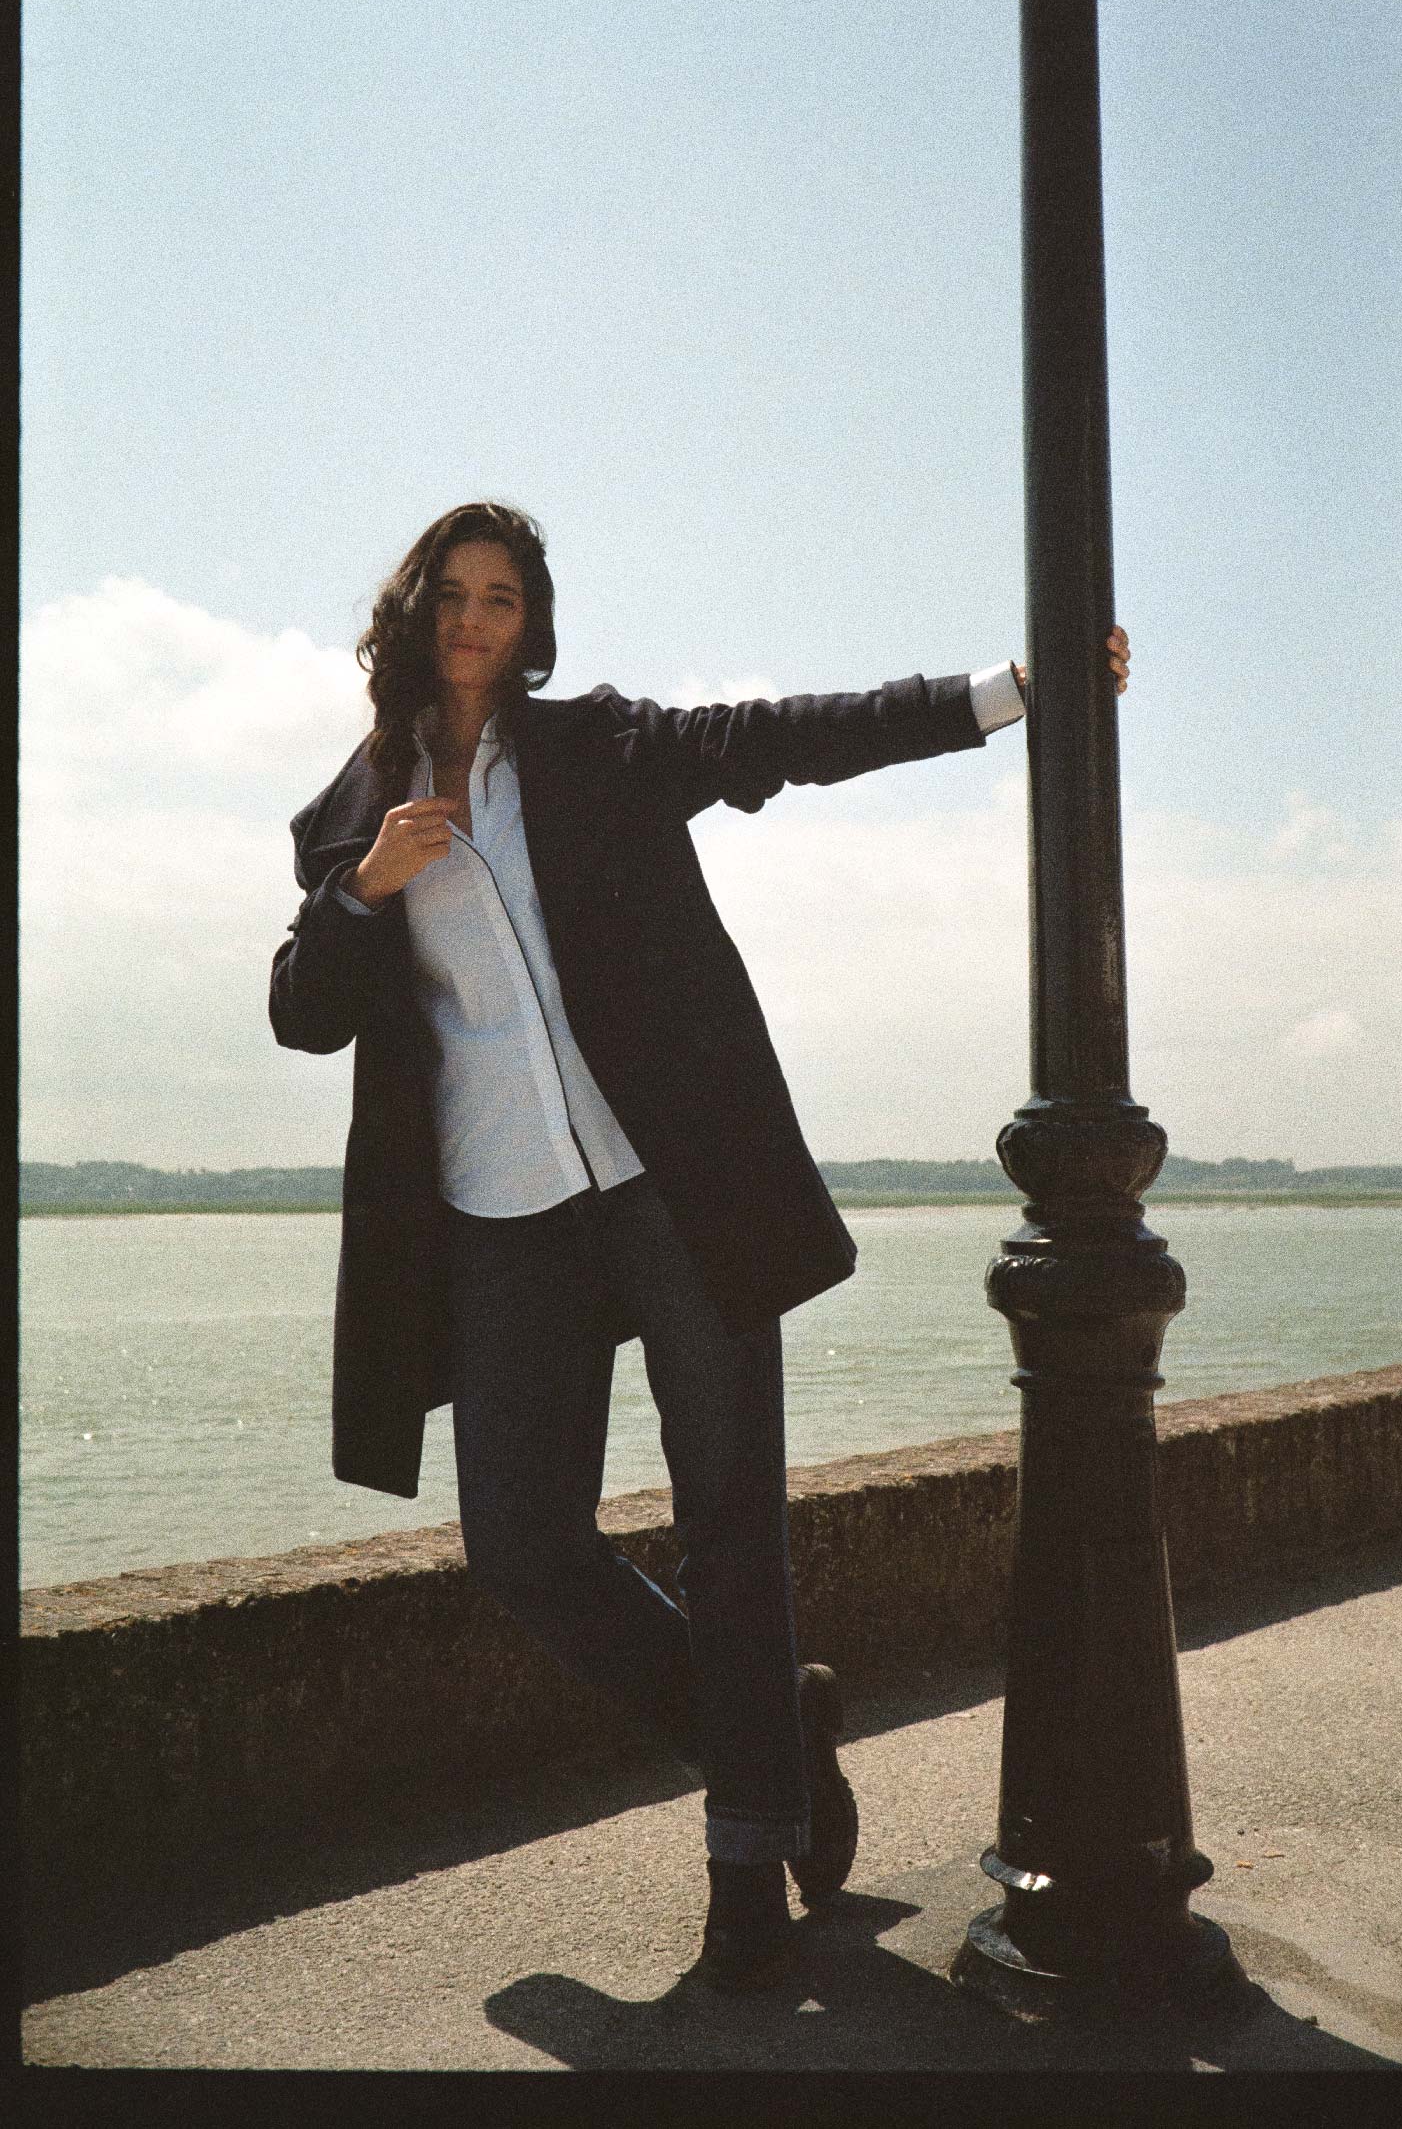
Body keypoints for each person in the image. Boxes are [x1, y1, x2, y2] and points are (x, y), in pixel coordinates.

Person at [269, 499, 1130, 1989]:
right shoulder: (351, 812)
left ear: (533, 624)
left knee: (730, 1521)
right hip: (501, 1216)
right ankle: (775, 1734)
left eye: (504, 597)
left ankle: (748, 1867)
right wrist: (366, 891)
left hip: (676, 1183)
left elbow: (781, 736)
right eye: (453, 595)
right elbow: (300, 1006)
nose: (477, 621)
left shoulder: (597, 746)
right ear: (412, 614)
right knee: (521, 1542)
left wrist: (1010, 693)